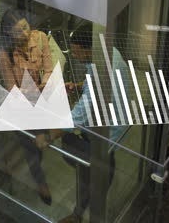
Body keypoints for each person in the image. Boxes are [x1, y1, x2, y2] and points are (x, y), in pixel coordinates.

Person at [36, 27, 129, 222]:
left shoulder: (101, 75)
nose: (75, 56)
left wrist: (49, 136)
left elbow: (77, 117)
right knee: (95, 163)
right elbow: (94, 84)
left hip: (106, 132)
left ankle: (83, 211)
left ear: (89, 50)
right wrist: (79, 86)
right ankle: (92, 192)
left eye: (77, 52)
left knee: (77, 153)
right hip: (114, 122)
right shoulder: (109, 52)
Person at [0, 9, 53, 205]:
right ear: (9, 35)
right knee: (31, 149)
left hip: (42, 102)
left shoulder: (40, 38)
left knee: (41, 143)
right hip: (21, 109)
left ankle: (39, 164)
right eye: (19, 31)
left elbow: (49, 68)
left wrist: (44, 84)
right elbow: (12, 89)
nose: (25, 33)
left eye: (25, 26)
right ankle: (41, 183)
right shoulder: (5, 55)